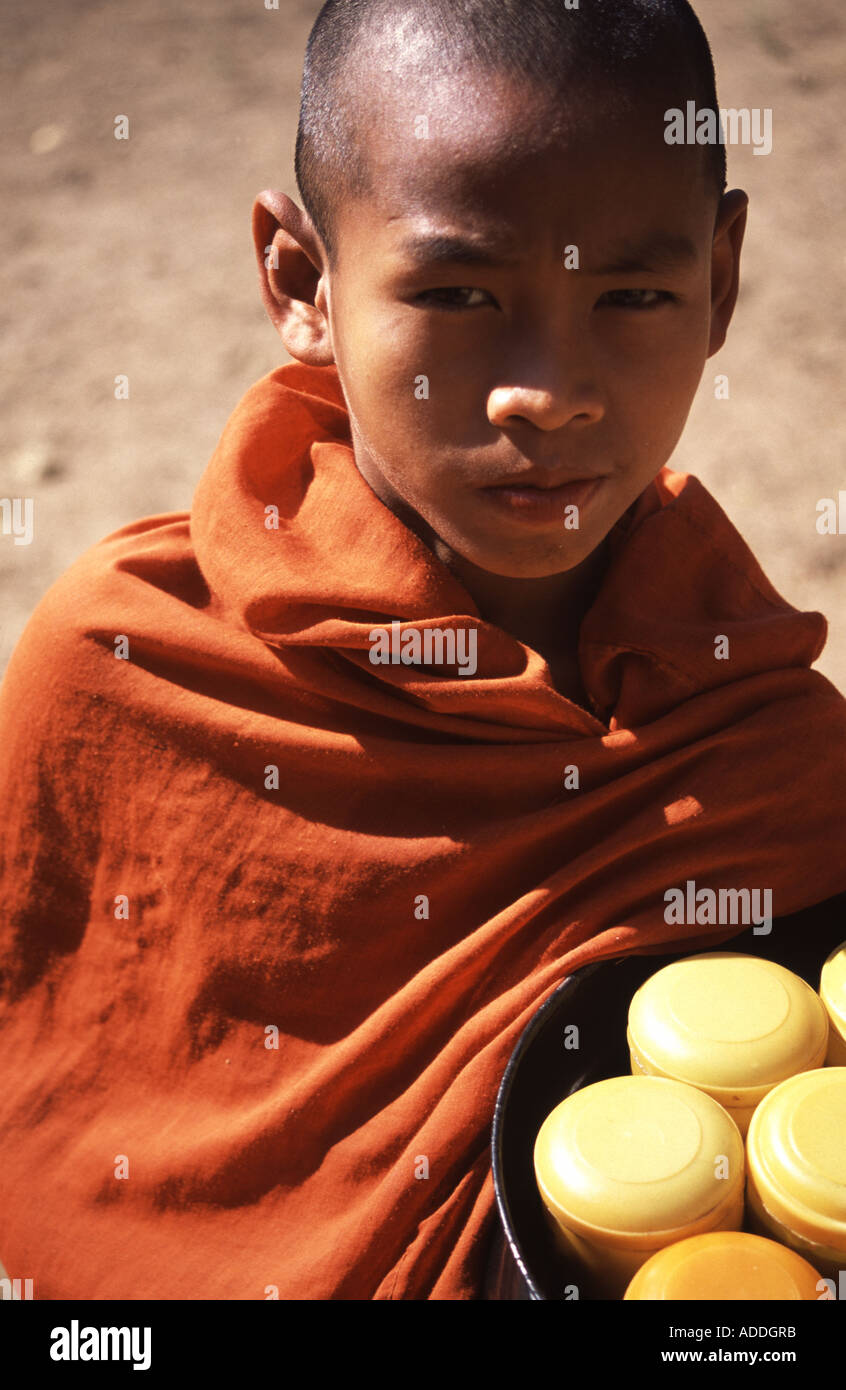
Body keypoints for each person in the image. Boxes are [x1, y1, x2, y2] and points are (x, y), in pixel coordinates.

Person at [1, 0, 845, 1301]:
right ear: (300, 282)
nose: (548, 388)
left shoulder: (770, 755)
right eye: (457, 292)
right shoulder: (128, 663)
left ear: (720, 282)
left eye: (632, 291)